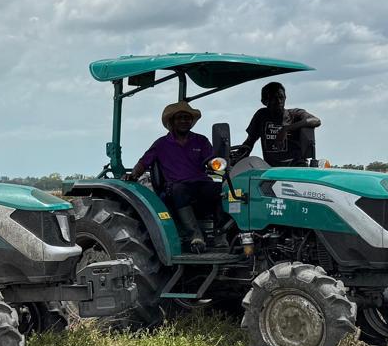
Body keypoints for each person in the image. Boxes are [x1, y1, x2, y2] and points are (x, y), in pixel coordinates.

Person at [129, 101, 230, 253]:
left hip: (199, 183)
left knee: (222, 190)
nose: (184, 121)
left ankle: (220, 235)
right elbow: (143, 163)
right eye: (180, 118)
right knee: (179, 190)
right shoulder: (161, 144)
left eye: (187, 118)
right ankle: (195, 236)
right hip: (176, 186)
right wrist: (132, 175)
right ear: (171, 122)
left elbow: (211, 160)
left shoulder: (201, 141)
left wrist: (219, 164)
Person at [233, 81, 321, 167]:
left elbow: (316, 120)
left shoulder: (295, 114)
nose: (279, 101)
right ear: (264, 101)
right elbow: (250, 142)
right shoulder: (261, 115)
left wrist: (286, 129)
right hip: (271, 169)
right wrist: (236, 158)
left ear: (285, 97)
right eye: (274, 98)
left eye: (281, 97)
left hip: (295, 167)